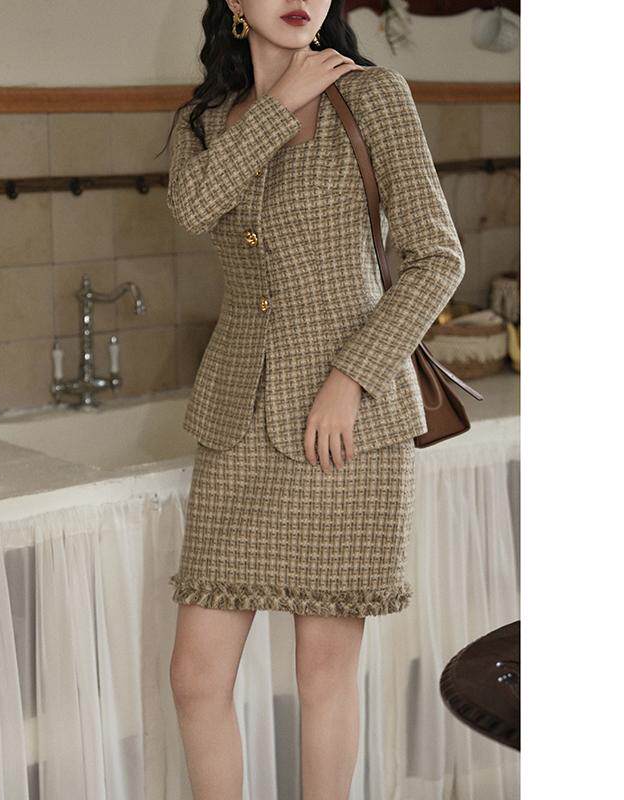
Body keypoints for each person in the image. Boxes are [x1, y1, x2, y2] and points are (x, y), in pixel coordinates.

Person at [161, 1, 465, 797]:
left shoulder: (373, 96)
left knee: (323, 675)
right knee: (195, 677)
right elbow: (194, 208)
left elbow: (437, 257)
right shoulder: (206, 123)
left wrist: (350, 377)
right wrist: (280, 102)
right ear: (234, 3)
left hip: (344, 432)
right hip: (237, 422)